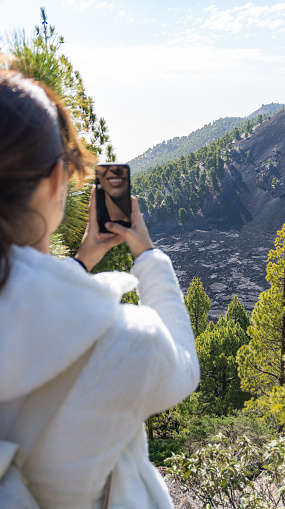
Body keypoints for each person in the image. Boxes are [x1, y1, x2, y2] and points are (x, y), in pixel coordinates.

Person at [0, 65, 200, 509]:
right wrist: (147, 256)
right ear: (55, 181)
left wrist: (83, 258)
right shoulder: (120, 343)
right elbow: (184, 368)